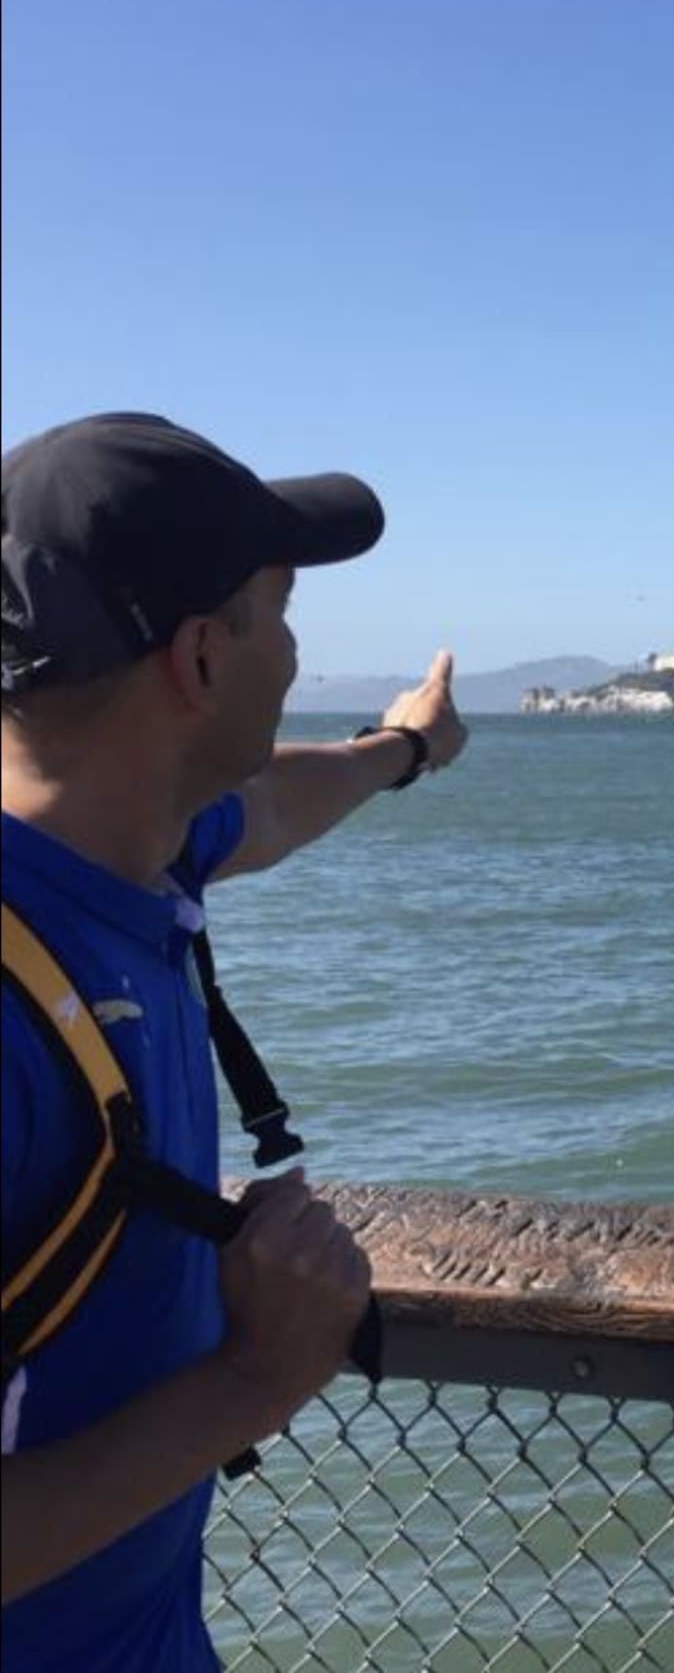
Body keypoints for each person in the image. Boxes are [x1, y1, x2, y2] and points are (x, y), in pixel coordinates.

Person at [0, 410, 467, 1671]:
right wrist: (256, 1379)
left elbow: (270, 806)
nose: (297, 654)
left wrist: (403, 749)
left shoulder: (133, 847)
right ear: (202, 659)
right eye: (281, 614)